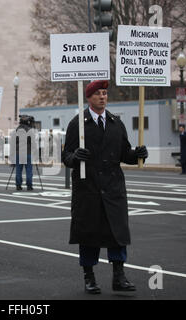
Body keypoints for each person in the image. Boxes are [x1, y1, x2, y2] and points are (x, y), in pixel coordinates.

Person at [62, 80, 148, 295]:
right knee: (88, 234)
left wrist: (136, 154)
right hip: (88, 188)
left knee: (117, 234)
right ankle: (89, 277)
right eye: (98, 93)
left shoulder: (116, 123)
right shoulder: (77, 124)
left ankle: (119, 276)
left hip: (112, 188)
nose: (103, 97)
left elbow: (124, 154)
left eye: (104, 93)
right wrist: (75, 157)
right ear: (89, 97)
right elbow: (65, 156)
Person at [13, 115, 35, 191]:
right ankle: (29, 185)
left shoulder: (17, 130)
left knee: (18, 170)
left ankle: (18, 185)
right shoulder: (30, 130)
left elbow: (13, 142)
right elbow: (33, 143)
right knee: (29, 170)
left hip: (19, 152)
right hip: (28, 152)